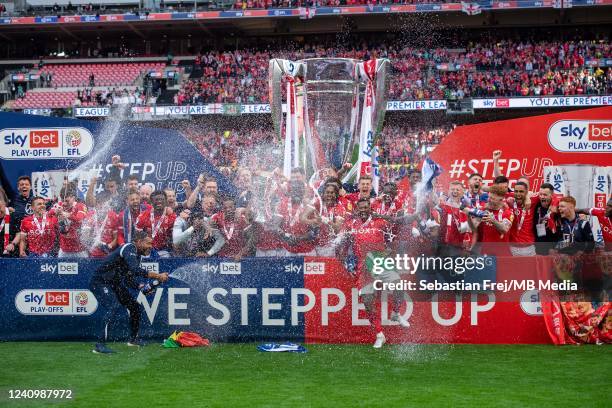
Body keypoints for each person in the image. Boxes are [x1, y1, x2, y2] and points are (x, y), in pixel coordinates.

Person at [90, 231, 169, 354]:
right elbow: (135, 269)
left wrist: (139, 286)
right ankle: (99, 345)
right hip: (100, 282)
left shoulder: (137, 255)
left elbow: (128, 278)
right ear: (138, 241)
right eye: (148, 243)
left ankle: (133, 340)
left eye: (152, 243)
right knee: (113, 306)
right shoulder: (129, 248)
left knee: (135, 307)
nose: (151, 246)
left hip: (114, 284)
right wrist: (158, 276)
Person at [337, 198, 400, 348]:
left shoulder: (380, 222)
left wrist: (390, 253)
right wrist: (347, 265)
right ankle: (379, 334)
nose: (363, 210)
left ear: (370, 208)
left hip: (380, 262)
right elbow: (341, 248)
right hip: (363, 267)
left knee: (398, 286)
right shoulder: (351, 225)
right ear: (357, 210)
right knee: (367, 301)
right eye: (361, 208)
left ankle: (396, 312)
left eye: (366, 207)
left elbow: (394, 233)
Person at [464, 185, 514, 257]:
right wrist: (468, 217)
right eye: (489, 197)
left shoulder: (507, 212)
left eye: (493, 198)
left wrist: (493, 220)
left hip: (502, 254)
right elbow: (473, 228)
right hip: (485, 253)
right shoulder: (484, 210)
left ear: (501, 199)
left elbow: (504, 229)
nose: (489, 200)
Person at [51, 184, 88, 258]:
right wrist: (55, 212)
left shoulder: (80, 206)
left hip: (79, 250)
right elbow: (49, 215)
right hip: (64, 250)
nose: (64, 203)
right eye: (62, 200)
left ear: (73, 198)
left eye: (67, 201)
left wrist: (68, 215)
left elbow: (80, 219)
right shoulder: (59, 205)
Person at [135, 190, 176, 257]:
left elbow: (174, 237)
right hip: (146, 250)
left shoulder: (172, 216)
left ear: (166, 201)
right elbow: (137, 238)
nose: (159, 201)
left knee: (165, 257)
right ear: (151, 202)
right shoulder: (143, 216)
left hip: (164, 251)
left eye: (161, 199)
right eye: (156, 199)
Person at [507, 181, 536, 256]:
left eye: (521, 191)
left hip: (529, 247)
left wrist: (527, 197)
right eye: (516, 191)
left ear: (526, 192)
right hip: (513, 248)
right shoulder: (510, 198)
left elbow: (552, 194)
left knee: (530, 268)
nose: (518, 194)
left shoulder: (533, 200)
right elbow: (491, 190)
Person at [532, 183, 560, 255]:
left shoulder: (557, 207)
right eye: (540, 194)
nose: (542, 197)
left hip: (554, 248)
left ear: (552, 195)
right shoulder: (536, 205)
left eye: (545, 195)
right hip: (539, 247)